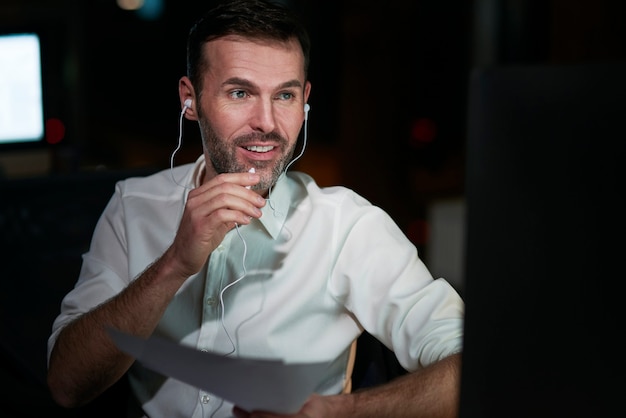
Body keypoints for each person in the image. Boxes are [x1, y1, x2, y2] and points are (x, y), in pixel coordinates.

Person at [46, 0, 465, 417]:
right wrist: (174, 263)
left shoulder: (348, 227)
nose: (266, 121)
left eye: (284, 95)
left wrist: (340, 413)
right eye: (240, 92)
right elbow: (67, 386)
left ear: (304, 102)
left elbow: (472, 367)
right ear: (190, 100)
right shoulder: (134, 206)